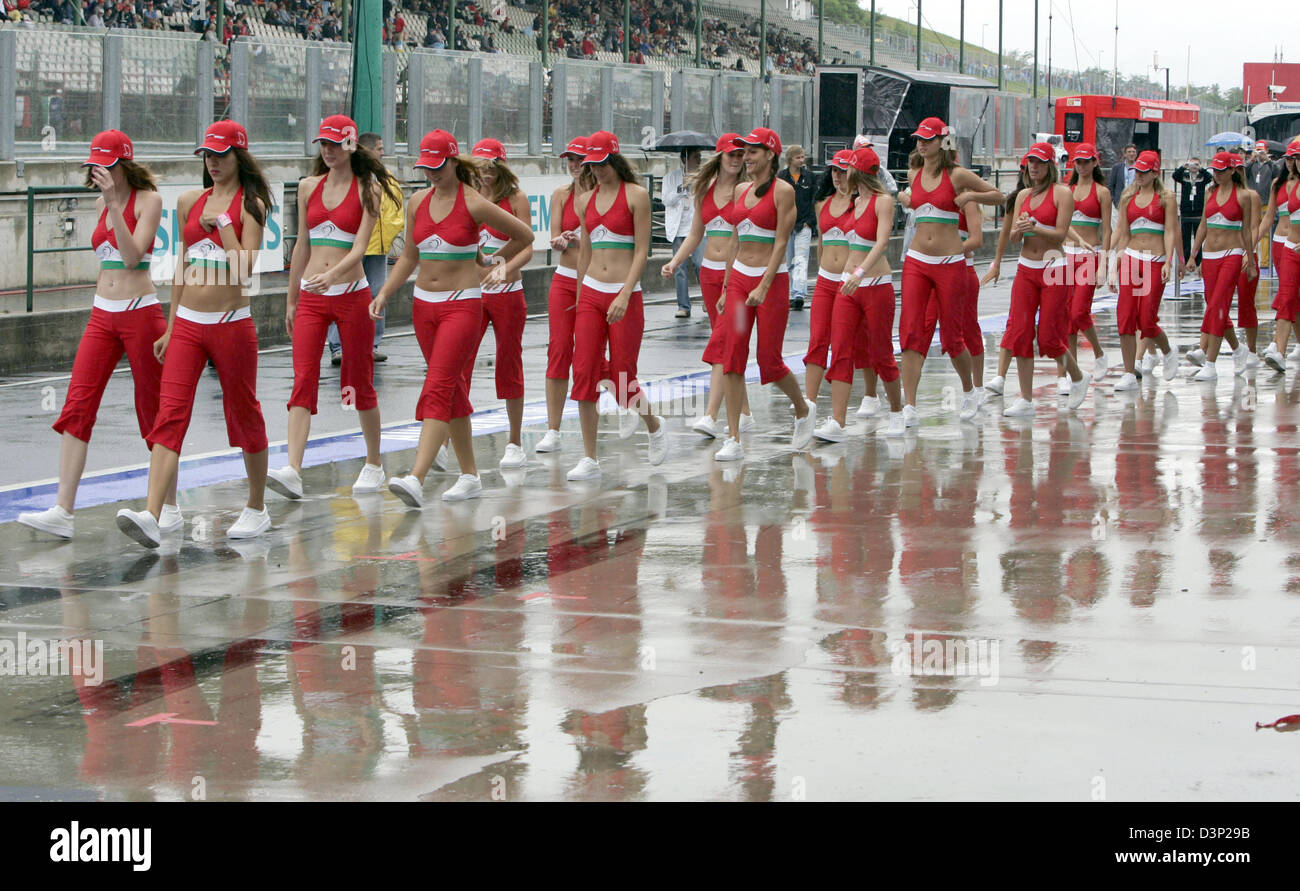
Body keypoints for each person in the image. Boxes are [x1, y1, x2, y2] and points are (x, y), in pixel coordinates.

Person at [116, 120, 272, 548]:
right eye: (208, 154)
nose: (213, 162)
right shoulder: (188, 200)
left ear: (238, 156)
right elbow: (183, 262)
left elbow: (245, 271)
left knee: (244, 415)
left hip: (231, 325)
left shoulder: (251, 204)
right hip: (187, 324)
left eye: (221, 155)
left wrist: (222, 224)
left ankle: (257, 507)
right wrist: (170, 322)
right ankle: (153, 513)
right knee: (169, 415)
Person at [19, 130, 179, 539]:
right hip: (101, 315)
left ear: (123, 164)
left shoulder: (149, 201)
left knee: (152, 410)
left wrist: (112, 204)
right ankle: (63, 510)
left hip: (140, 314)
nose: (98, 173)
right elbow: (106, 262)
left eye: (105, 165)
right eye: (95, 165)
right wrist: (105, 204)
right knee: (78, 404)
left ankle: (170, 505)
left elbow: (130, 257)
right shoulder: (98, 202)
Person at [372, 130, 532, 507]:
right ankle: (470, 475)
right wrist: (384, 292)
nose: (431, 174)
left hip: (462, 305)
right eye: (425, 167)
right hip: (423, 306)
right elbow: (409, 257)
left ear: (453, 161)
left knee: (440, 385)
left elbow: (524, 235)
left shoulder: (474, 202)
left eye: (438, 166)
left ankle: (417, 476)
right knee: (454, 390)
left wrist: (494, 262)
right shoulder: (417, 201)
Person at [267, 116, 401, 502]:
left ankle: (374, 462)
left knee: (357, 383)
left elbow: (360, 248)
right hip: (312, 297)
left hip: (350, 295)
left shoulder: (367, 189)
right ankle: (293, 469)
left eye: (333, 144)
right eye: (321, 144)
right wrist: (292, 297)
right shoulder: (308, 187)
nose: (326, 150)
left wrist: (335, 275)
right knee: (303, 378)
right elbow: (301, 246)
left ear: (349, 146)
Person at [565, 130, 670, 481]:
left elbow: (643, 250)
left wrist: (626, 293)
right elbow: (586, 252)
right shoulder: (584, 201)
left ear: (615, 159)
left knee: (624, 375)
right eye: (591, 165)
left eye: (602, 163)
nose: (597, 170)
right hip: (592, 291)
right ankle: (590, 457)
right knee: (584, 372)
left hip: (625, 290)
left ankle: (654, 425)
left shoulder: (636, 196)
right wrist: (580, 295)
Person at [706, 127, 815, 463]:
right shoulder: (740, 189)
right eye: (744, 152)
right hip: (739, 279)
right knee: (733, 354)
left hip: (771, 282)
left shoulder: (783, 191)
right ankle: (734, 436)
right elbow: (735, 241)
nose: (747, 157)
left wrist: (764, 284)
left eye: (753, 151)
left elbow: (783, 243)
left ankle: (802, 408)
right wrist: (727, 286)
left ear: (770, 155)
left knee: (770, 361)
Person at [897, 117, 1003, 426]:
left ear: (942, 142)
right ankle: (910, 407)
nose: (921, 143)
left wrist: (972, 196)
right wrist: (906, 198)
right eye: (919, 138)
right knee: (912, 333)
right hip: (917, 259)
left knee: (953, 337)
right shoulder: (914, 173)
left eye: (928, 139)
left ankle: (970, 390)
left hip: (949, 263)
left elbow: (999, 196)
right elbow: (913, 201)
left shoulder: (957, 175)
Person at [661, 132, 754, 438]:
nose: (737, 160)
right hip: (709, 275)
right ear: (720, 156)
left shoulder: (746, 191)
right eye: (731, 155)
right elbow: (694, 234)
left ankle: (712, 416)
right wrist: (675, 263)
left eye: (741, 155)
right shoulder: (705, 189)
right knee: (728, 344)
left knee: (722, 344)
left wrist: (732, 283)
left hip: (736, 275)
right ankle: (745, 411)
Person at [814, 145, 905, 440]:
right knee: (841, 350)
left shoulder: (882, 201)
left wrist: (860, 272)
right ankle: (838, 422)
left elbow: (881, 242)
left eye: (847, 169)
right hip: (847, 285)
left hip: (875, 285)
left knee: (881, 354)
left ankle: (896, 411)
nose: (840, 175)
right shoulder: (852, 203)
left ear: (860, 172)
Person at [1000, 142, 1089, 417]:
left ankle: (1077, 375)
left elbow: (1061, 234)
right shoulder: (1022, 195)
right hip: (1026, 268)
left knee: (1050, 338)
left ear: (1050, 165)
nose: (1034, 167)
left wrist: (1035, 226)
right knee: (1020, 333)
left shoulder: (1063, 193)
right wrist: (1021, 229)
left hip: (1054, 266)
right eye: (1030, 162)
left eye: (1039, 162)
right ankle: (1026, 399)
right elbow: (1014, 235)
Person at [468, 137, 533, 470]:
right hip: (473, 294)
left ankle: (515, 440)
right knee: (459, 363)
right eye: (481, 168)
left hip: (508, 293)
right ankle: (446, 436)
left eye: (492, 168)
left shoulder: (516, 198)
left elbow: (528, 246)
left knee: (509, 363)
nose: (486, 175)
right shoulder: (469, 195)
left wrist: (505, 266)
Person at [1107, 150, 1181, 390]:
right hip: (1131, 257)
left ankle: (1168, 351)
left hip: (1156, 259)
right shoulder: (1128, 197)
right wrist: (1110, 258)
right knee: (1126, 317)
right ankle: (1129, 372)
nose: (1138, 175)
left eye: (1144, 171)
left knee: (1147, 320)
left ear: (1155, 173)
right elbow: (1121, 230)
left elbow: (1170, 230)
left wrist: (1169, 261)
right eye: (1137, 170)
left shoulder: (1166, 197)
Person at [326, 132, 401, 366]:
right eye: (378, 148)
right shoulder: (348, 178)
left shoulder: (385, 178)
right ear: (365, 150)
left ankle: (372, 344)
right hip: (351, 249)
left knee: (377, 293)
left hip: (377, 249)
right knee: (343, 294)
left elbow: (395, 210)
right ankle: (338, 346)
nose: (382, 152)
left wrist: (386, 238)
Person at [1181, 151, 1256, 380]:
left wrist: (1250, 260)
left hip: (1231, 254)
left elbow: (1246, 230)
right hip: (1210, 256)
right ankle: (1237, 349)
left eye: (1222, 170)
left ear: (1232, 170)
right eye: (1215, 170)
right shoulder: (1209, 192)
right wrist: (1193, 255)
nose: (1217, 174)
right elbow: (1203, 224)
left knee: (1216, 305)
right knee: (1213, 305)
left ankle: (1210, 363)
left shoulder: (1243, 196)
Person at [537, 137, 591, 454]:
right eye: (569, 159)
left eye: (579, 159)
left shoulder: (602, 196)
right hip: (564, 278)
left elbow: (605, 241)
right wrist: (562, 241)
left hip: (595, 281)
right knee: (558, 350)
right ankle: (553, 429)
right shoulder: (561, 194)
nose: (573, 164)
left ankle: (627, 397)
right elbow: (553, 235)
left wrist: (579, 239)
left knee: (590, 358)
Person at [803, 149, 856, 406]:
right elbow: (821, 242)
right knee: (817, 340)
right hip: (825, 279)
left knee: (850, 344)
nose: (838, 176)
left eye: (844, 171)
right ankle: (809, 401)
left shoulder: (861, 203)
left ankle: (867, 396)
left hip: (850, 282)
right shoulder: (822, 203)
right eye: (835, 170)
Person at [1059, 143, 1112, 387]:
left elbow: (1108, 229)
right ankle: (1072, 373)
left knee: (1079, 311)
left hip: (1090, 255)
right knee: (1067, 319)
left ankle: (1099, 353)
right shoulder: (1066, 189)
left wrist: (1104, 264)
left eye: (1085, 161)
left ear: (1094, 163)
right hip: (1065, 255)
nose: (1081, 166)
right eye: (1077, 162)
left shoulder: (1101, 192)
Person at [981, 161, 1032, 398]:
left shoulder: (1057, 194)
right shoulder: (1017, 199)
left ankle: (1067, 376)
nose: (1030, 171)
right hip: (1027, 267)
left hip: (1055, 265)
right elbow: (1005, 233)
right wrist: (997, 263)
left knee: (1058, 326)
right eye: (1026, 168)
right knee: (1015, 323)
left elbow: (1064, 229)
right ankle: (1000, 376)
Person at [1257, 145, 1299, 366]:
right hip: (1283, 243)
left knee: (1291, 295)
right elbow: (1269, 217)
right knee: (1288, 293)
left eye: (1296, 158)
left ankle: (1285, 344)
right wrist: (1253, 241)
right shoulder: (1278, 184)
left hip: (1295, 242)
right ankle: (1279, 346)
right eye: (1290, 159)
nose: (1292, 162)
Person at [662, 147, 702, 318]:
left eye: (700, 157)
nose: (699, 160)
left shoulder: (703, 177)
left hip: (698, 229)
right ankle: (683, 306)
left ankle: (708, 300)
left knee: (701, 265)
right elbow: (666, 200)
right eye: (695, 157)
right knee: (679, 269)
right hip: (679, 229)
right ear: (685, 159)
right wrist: (682, 188)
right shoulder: (670, 178)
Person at [777, 143, 816, 310]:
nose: (801, 160)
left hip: (803, 223)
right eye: (798, 157)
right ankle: (790, 292)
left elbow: (815, 199)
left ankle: (798, 293)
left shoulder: (810, 177)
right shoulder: (781, 176)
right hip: (786, 223)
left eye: (802, 157)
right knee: (788, 259)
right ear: (790, 159)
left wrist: (810, 222)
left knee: (801, 258)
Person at [1246, 140, 1280, 266]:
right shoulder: (1252, 164)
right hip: (1252, 202)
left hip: (1266, 201)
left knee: (1265, 233)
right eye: (1258, 150)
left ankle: (1264, 261)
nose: (1259, 153)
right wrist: (1252, 159)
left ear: (1267, 151)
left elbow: (1277, 174)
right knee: (1251, 229)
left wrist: (1268, 160)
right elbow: (1243, 172)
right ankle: (1250, 255)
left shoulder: (1271, 165)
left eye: (1262, 151)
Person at [1172, 157, 1211, 264]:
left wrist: (1201, 169)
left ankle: (1197, 260)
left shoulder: (1202, 177)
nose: (1194, 167)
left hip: (1198, 212)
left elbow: (1210, 177)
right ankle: (1186, 259)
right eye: (1192, 165)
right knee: (1186, 239)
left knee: (1198, 237)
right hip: (1186, 212)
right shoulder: (1184, 176)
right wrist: (1183, 167)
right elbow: (1175, 176)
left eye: (1196, 164)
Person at [1106, 143, 1139, 213]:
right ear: (1125, 154)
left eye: (1133, 152)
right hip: (1119, 203)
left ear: (1136, 154)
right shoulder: (1117, 168)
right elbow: (1111, 185)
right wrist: (1114, 199)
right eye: (1129, 152)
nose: (1131, 154)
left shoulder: (1139, 169)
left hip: (1135, 202)